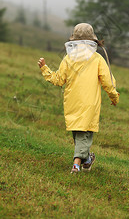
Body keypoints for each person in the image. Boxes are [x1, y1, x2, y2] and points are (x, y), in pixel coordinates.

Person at [37, 23, 120, 174]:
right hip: (89, 104)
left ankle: (87, 160)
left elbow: (58, 80)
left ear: (74, 40)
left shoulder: (69, 58)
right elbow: (108, 83)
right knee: (83, 134)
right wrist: (114, 97)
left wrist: (44, 68)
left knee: (79, 134)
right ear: (92, 41)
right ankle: (76, 164)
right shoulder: (97, 59)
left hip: (72, 103)